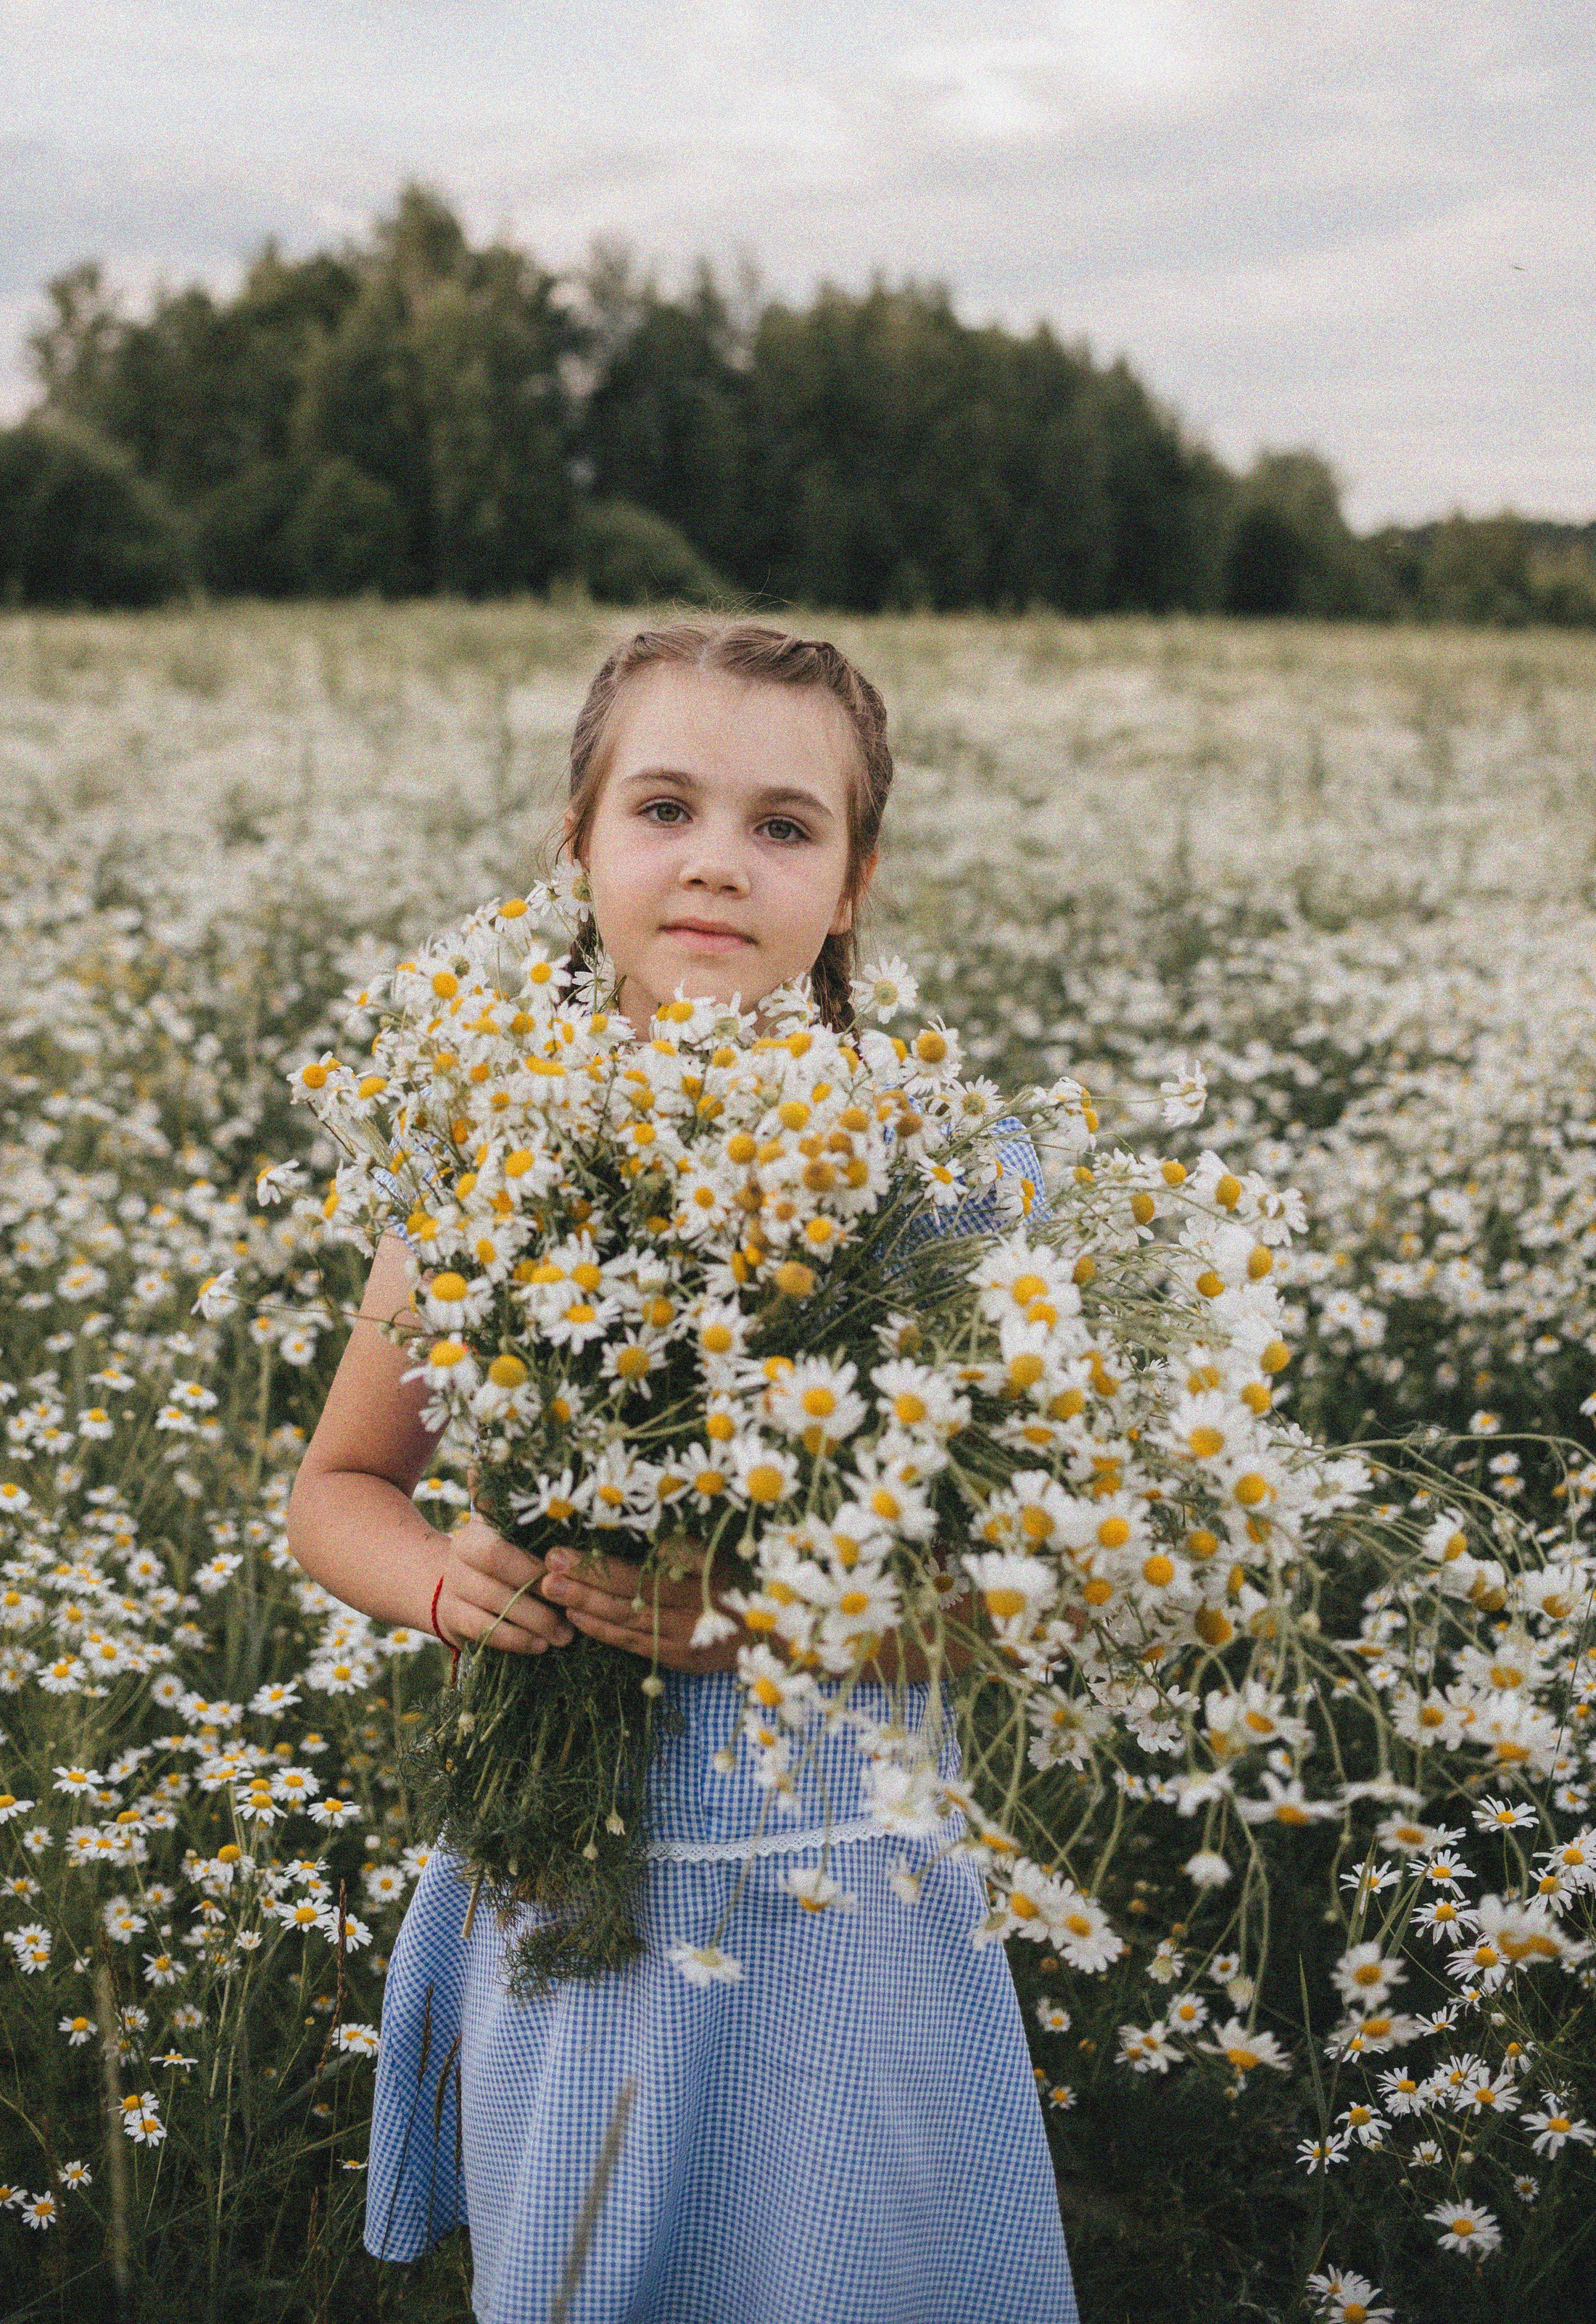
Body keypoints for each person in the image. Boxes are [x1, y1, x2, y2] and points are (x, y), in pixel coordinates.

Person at [285, 621, 1080, 2324]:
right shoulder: (485, 1161)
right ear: (573, 847)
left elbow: (1029, 1592)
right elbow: (338, 1484)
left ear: (852, 881)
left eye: (784, 827)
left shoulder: (945, 1184)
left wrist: (772, 1616)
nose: (719, 860)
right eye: (663, 807)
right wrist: (438, 1575)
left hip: (844, 1898)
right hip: (570, 1891)